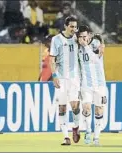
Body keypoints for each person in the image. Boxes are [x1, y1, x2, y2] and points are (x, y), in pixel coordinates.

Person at [49, 16, 81, 145]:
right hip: (61, 78)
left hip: (74, 78)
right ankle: (65, 137)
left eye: (75, 27)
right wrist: (54, 75)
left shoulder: (77, 39)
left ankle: (76, 126)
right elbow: (52, 59)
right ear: (65, 26)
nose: (74, 29)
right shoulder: (56, 40)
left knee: (75, 106)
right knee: (62, 107)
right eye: (71, 26)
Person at [77, 25, 107, 146]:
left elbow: (95, 60)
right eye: (81, 37)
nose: (83, 39)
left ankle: (97, 137)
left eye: (85, 36)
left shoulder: (96, 44)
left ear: (89, 35)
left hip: (100, 84)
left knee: (99, 110)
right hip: (86, 84)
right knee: (86, 108)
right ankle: (88, 130)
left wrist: (86, 46)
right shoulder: (77, 46)